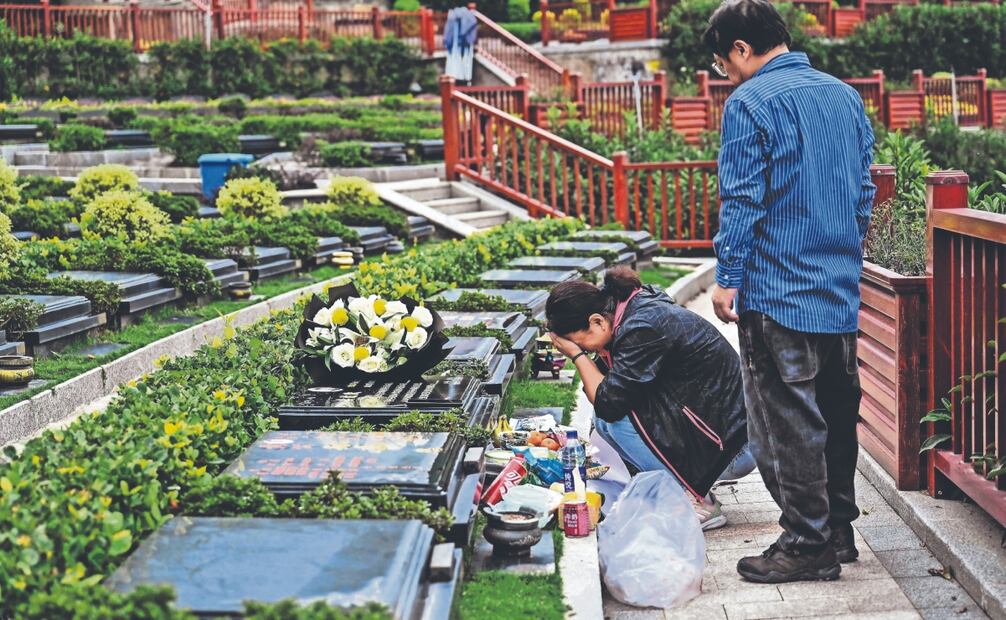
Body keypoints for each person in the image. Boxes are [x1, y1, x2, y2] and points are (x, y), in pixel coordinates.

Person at [704, 0, 876, 583]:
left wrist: (727, 277)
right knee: (832, 410)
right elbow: (863, 191)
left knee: (784, 422)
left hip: (779, 291)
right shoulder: (844, 96)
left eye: (724, 61)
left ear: (742, 49)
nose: (727, 73)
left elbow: (743, 197)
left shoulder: (749, 102)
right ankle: (838, 533)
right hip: (837, 289)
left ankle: (806, 543)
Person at [547, 267, 755, 530]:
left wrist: (577, 357)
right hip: (719, 435)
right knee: (605, 419)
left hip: (735, 449)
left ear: (598, 321)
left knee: (617, 418)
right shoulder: (630, 313)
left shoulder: (642, 327)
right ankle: (672, 490)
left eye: (581, 343)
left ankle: (695, 501)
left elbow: (608, 403)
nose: (586, 350)